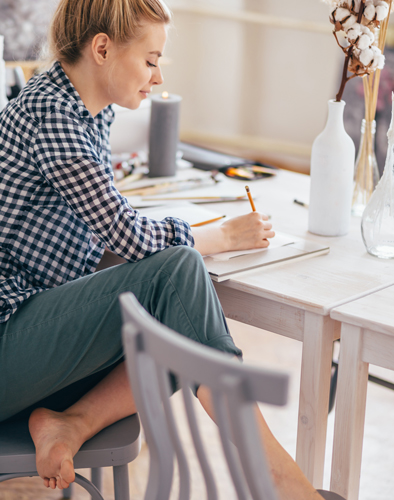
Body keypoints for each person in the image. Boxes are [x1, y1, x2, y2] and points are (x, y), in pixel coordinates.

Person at [0, 1, 324, 499]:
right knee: (178, 279)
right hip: (8, 343)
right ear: (102, 48)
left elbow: (107, 236)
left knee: (181, 317)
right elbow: (126, 237)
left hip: (33, 338)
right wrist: (219, 237)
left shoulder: (91, 111)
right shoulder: (50, 114)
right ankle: (274, 477)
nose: (155, 78)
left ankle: (72, 423)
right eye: (150, 60)